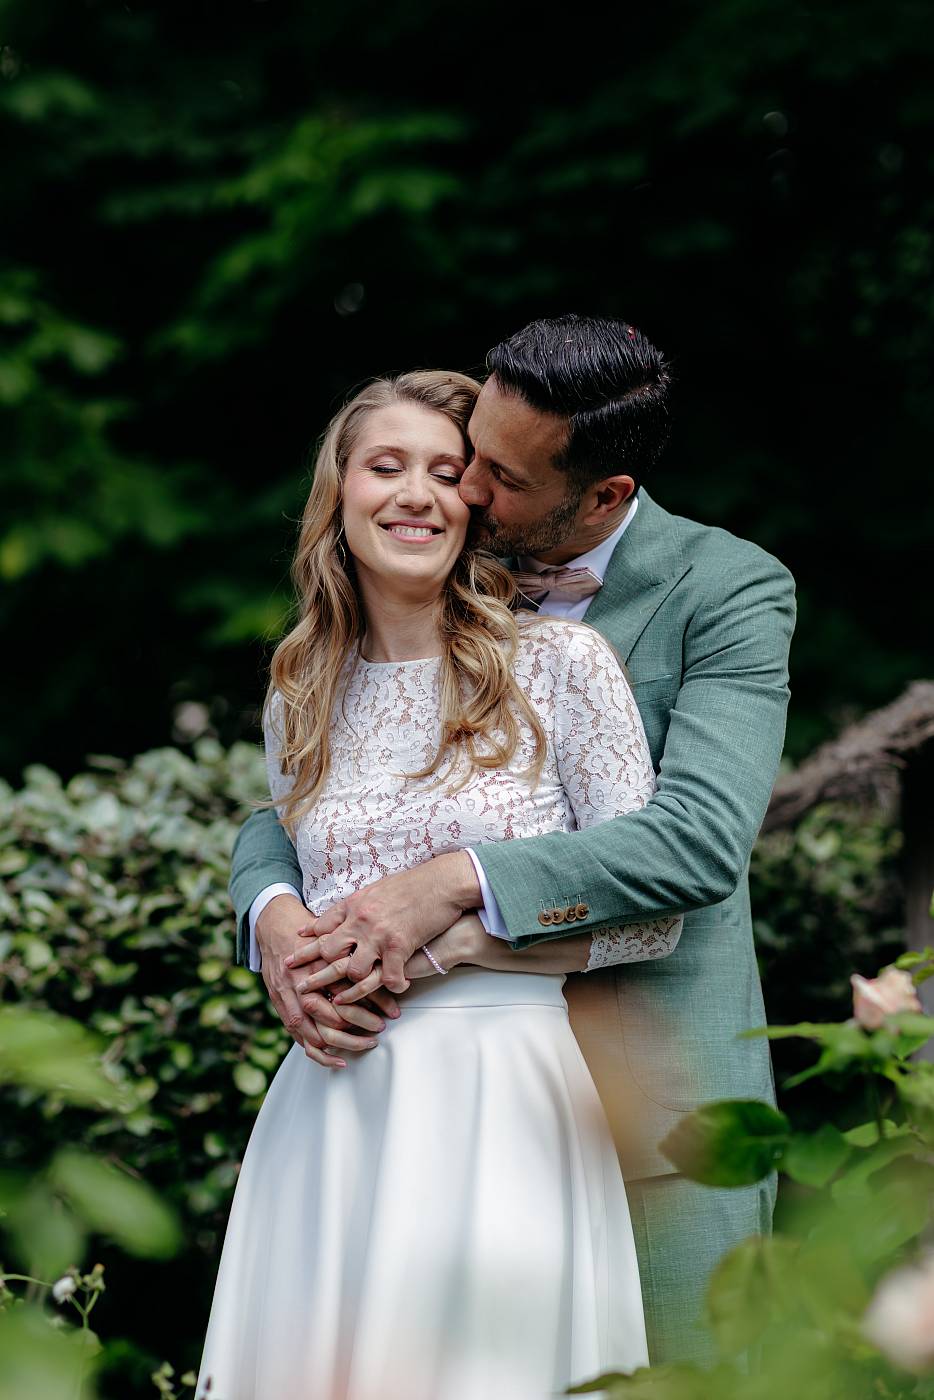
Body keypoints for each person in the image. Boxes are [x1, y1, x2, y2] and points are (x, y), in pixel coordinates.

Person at [230, 315, 797, 1364]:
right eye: (466, 456)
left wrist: (447, 887)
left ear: (602, 497)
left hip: (646, 1106)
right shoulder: (396, 607)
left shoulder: (724, 590)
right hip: (395, 1096)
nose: (466, 492)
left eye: (494, 474)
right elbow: (296, 806)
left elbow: (694, 843)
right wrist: (270, 914)